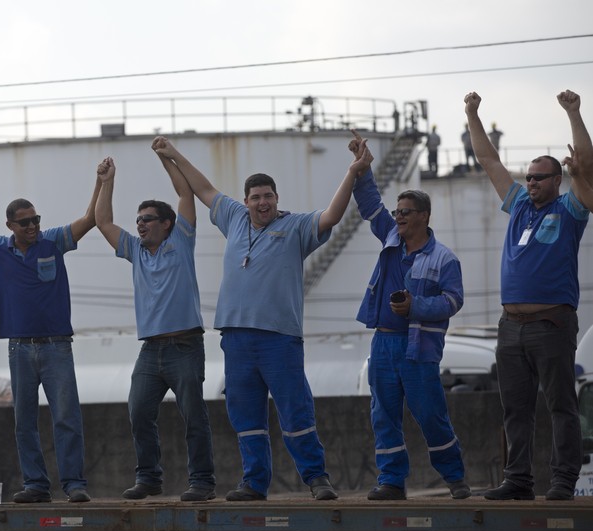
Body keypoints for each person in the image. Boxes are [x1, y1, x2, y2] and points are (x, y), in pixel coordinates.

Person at [152, 135, 368, 502]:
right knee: (246, 416)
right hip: (236, 338)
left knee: (295, 410)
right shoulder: (234, 217)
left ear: (276, 199)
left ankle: (317, 478)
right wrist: (171, 155)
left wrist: (353, 173)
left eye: (268, 196)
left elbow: (332, 215)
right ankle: (254, 483)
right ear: (246, 200)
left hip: (278, 338)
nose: (262, 202)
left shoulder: (296, 227)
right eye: (255, 197)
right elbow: (202, 187)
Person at [464, 89, 593, 501]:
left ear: (558, 180)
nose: (530, 182)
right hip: (511, 328)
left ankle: (562, 481)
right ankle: (518, 480)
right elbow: (488, 160)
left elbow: (587, 166)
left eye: (539, 177)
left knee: (560, 406)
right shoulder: (519, 204)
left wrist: (573, 113)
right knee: (515, 409)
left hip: (550, 324)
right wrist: (472, 114)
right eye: (529, 176)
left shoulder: (570, 209)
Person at [0, 166, 102, 504]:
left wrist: (100, 182)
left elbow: (90, 219)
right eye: (25, 222)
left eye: (35, 219)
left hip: (56, 346)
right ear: (11, 226)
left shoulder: (54, 241)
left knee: (66, 417)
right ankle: (36, 485)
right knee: (24, 422)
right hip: (19, 348)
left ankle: (74, 483)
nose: (33, 226)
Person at [348, 131, 470, 501]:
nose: (397, 217)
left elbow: (453, 302)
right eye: (396, 212)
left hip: (418, 347)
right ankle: (391, 481)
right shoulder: (390, 237)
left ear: (423, 216)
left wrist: (415, 306)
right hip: (383, 341)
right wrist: (362, 169)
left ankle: (455, 478)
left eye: (404, 213)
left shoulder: (444, 258)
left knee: (431, 415)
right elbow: (369, 204)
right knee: (383, 415)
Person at [93, 149, 216, 502]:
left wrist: (167, 159)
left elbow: (184, 194)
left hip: (185, 347)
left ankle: (202, 482)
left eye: (148, 218)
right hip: (151, 350)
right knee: (138, 412)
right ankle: (149, 478)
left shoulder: (180, 241)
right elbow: (103, 221)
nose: (140, 224)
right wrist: (107, 182)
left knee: (194, 416)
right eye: (138, 220)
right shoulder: (135, 250)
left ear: (167, 223)